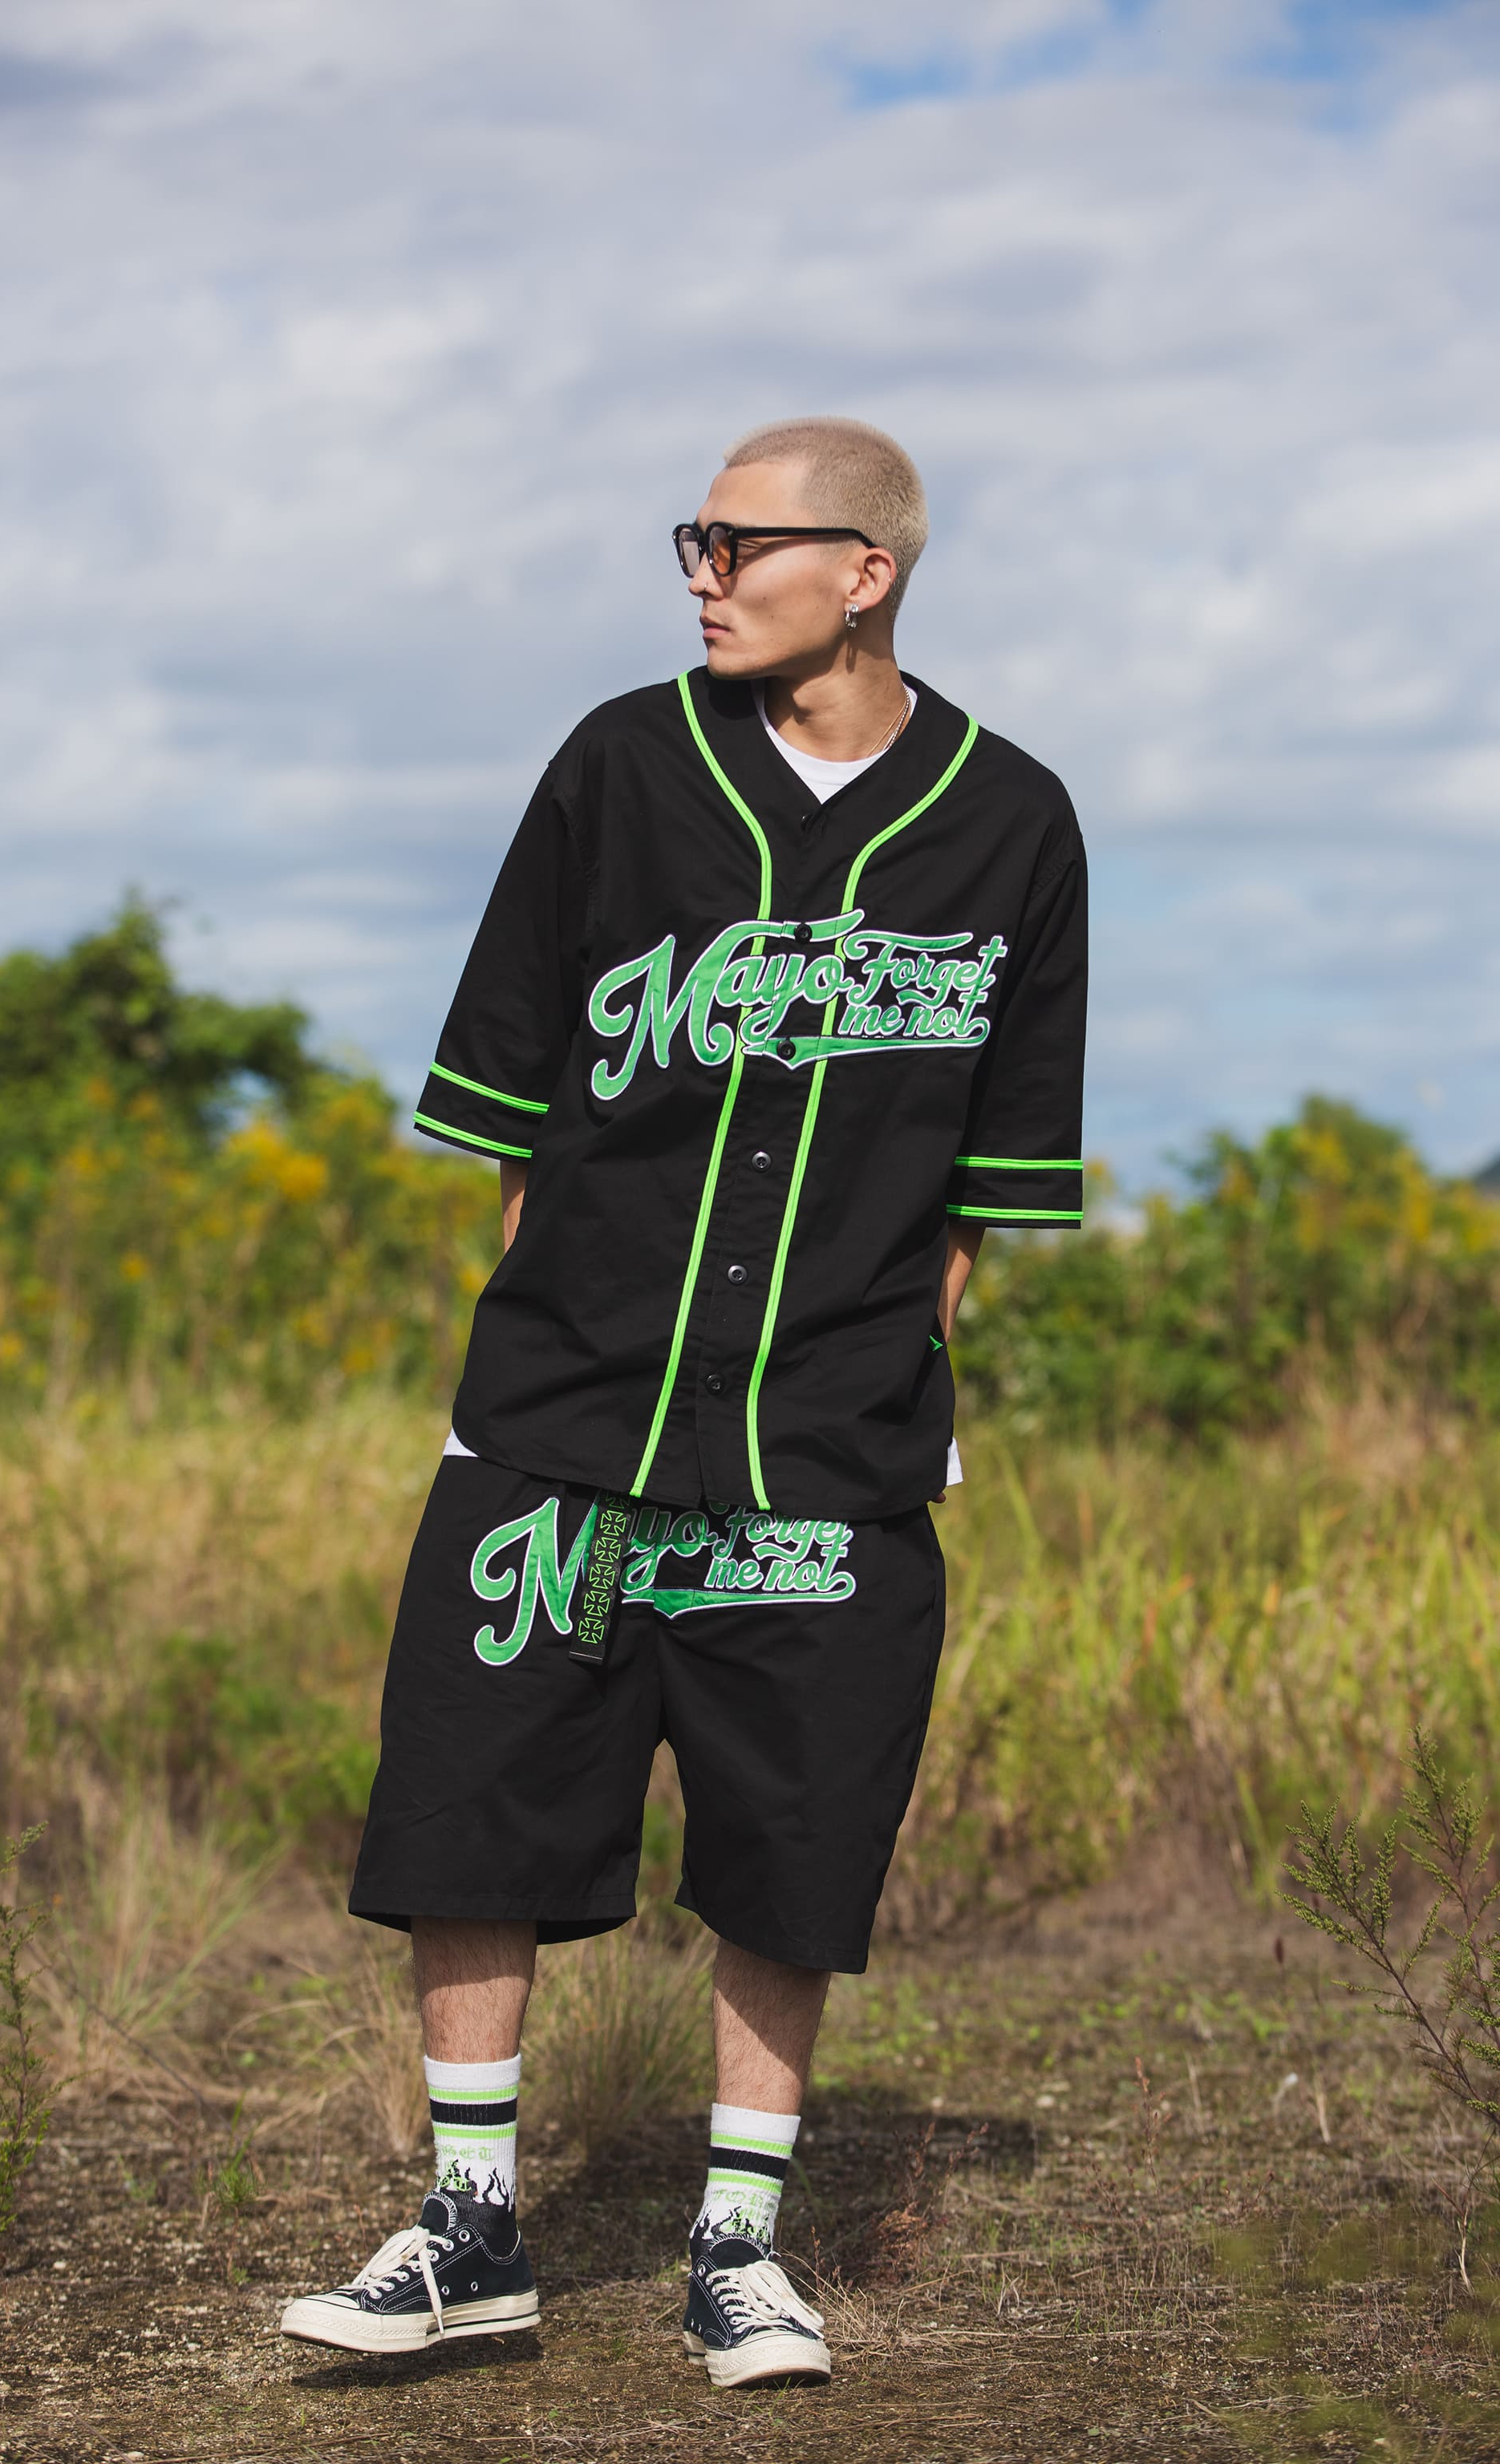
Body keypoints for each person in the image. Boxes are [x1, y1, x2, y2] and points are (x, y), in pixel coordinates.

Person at [279, 416, 1088, 2389]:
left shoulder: (1010, 821)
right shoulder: (621, 766)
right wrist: (564, 1333)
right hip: (567, 1421)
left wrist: (869, 1366)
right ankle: (472, 2229)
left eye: (738, 542)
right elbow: (514, 1108)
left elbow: (983, 1190)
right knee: (471, 1805)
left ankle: (739, 2243)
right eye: (693, 542)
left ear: (865, 572)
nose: (702, 575)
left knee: (791, 1840)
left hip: (825, 1447)